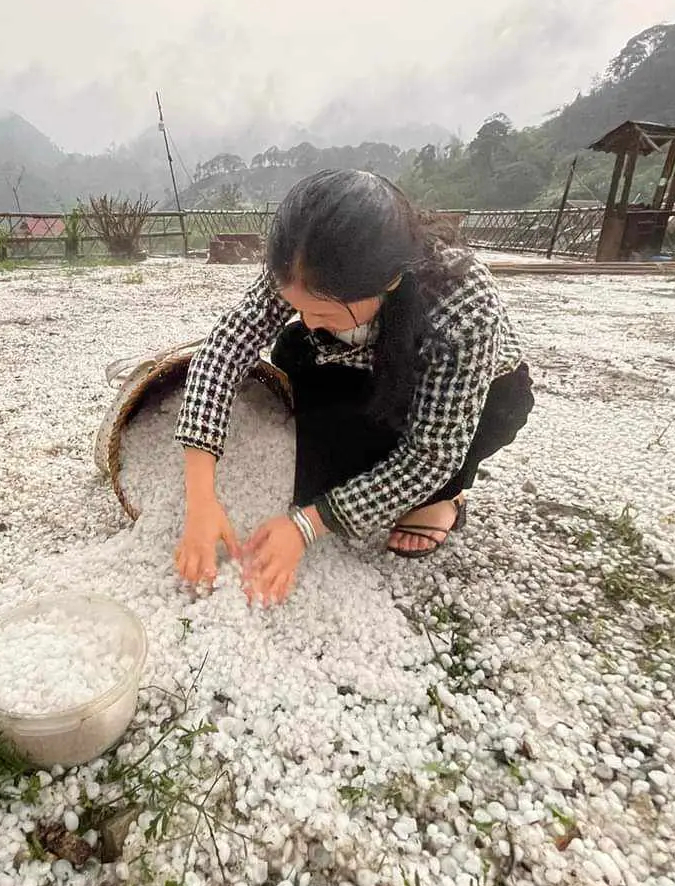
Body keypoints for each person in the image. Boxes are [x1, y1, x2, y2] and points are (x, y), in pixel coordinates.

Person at [174, 170, 533, 604]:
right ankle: (364, 467)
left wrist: (306, 525)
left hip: (468, 392)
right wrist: (200, 496)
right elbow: (227, 347)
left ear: (388, 281)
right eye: (296, 306)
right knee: (296, 357)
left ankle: (444, 499)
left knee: (497, 409)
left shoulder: (463, 304)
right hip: (361, 365)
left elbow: (433, 452)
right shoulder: (304, 261)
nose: (306, 319)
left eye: (323, 311)